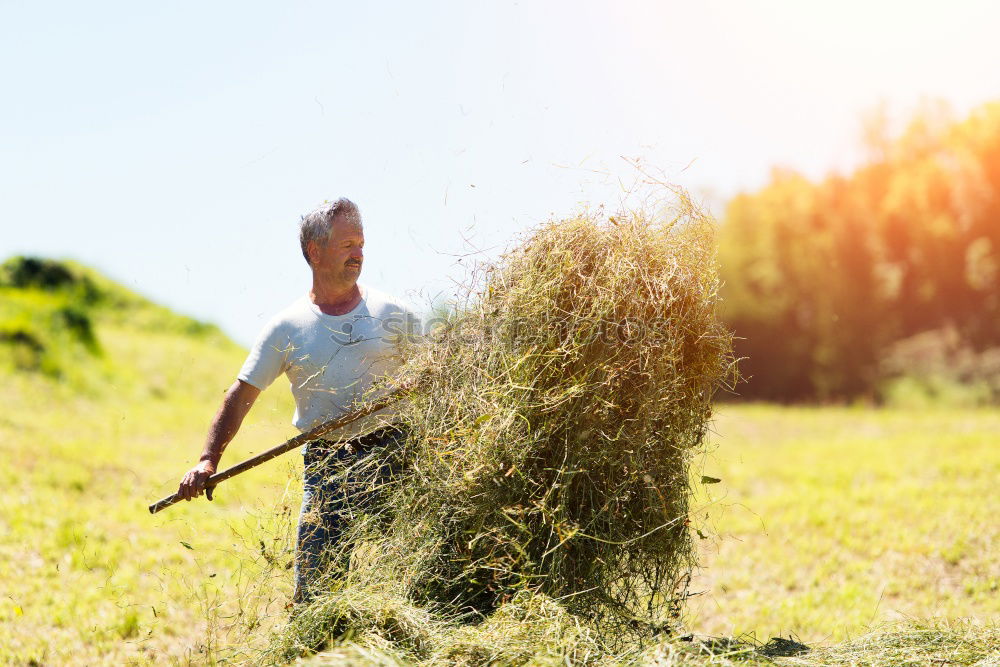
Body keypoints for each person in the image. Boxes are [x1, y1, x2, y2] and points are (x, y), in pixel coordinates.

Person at [176, 197, 422, 601]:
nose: (358, 254)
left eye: (360, 244)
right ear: (315, 251)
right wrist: (209, 458)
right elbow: (240, 396)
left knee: (407, 581)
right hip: (328, 466)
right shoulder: (287, 328)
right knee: (314, 593)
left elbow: (442, 368)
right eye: (347, 245)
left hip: (396, 458)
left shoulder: (392, 313)